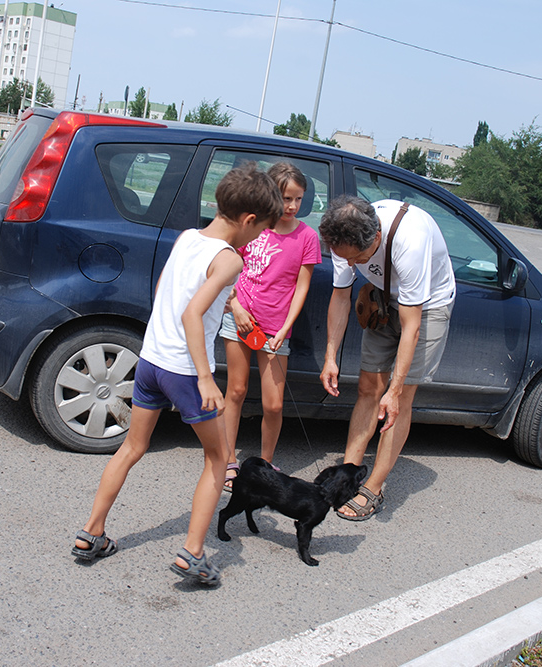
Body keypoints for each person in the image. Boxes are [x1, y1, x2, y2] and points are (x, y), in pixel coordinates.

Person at [71, 162, 283, 587]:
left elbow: (168, 292)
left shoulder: (188, 238)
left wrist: (219, 306)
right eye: (260, 231)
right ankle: (193, 554)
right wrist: (205, 379)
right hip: (185, 373)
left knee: (132, 447)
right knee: (219, 459)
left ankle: (90, 534)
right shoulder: (229, 260)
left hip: (151, 361)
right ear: (248, 220)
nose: (258, 239)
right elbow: (191, 312)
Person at [318, 195, 455, 521]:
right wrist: (330, 356)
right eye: (344, 258)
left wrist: (393, 391)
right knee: (368, 388)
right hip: (383, 298)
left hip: (427, 307)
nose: (351, 265)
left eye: (357, 259)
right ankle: (349, 474)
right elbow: (340, 296)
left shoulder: (410, 240)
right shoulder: (344, 236)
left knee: (400, 399)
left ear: (375, 239)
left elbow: (412, 328)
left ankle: (373, 487)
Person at [219, 162, 321, 489]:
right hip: (239, 318)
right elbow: (228, 269)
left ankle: (264, 463)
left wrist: (284, 329)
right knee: (235, 391)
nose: (291, 206)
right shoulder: (255, 226)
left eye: (298, 199)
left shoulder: (307, 237)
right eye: (285, 197)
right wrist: (234, 307)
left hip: (277, 329)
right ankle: (227, 460)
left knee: (274, 403)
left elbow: (302, 286)